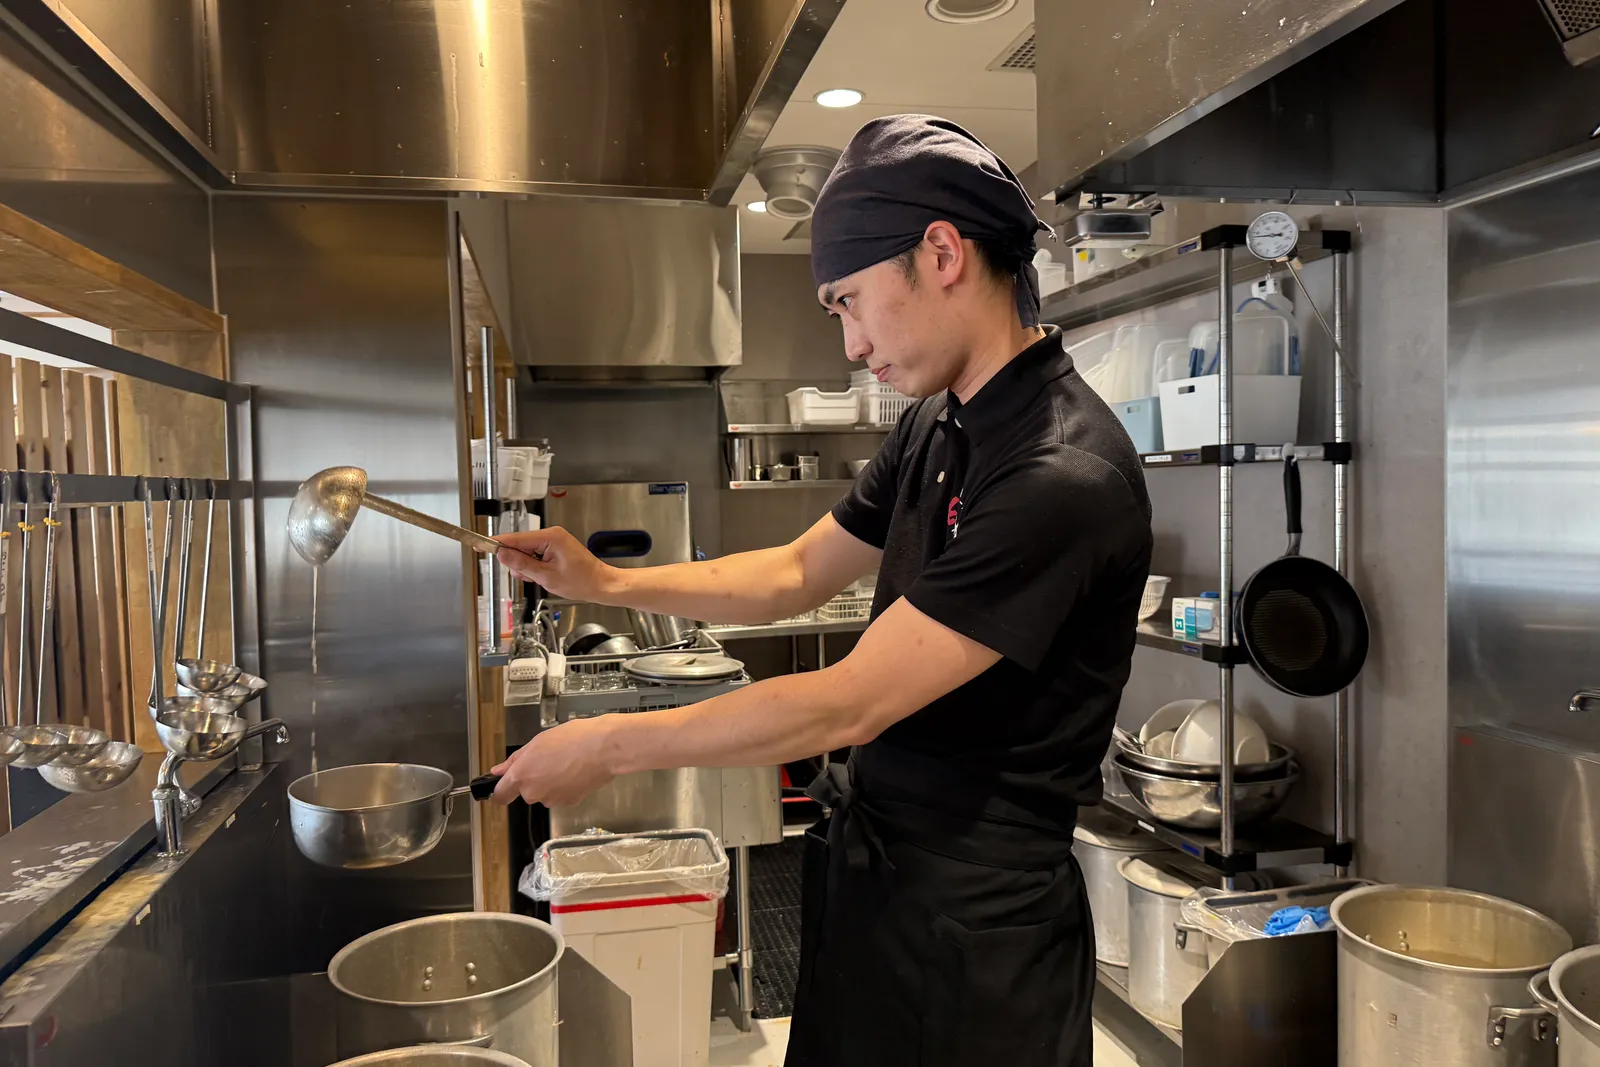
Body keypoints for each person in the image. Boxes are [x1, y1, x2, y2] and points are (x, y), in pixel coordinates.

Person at [492, 114, 1152, 1066]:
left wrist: (608, 746)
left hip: (978, 933)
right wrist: (606, 579)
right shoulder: (935, 423)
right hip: (878, 883)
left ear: (941, 254)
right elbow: (797, 570)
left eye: (848, 301)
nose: (849, 344)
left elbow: (848, 700)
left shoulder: (1060, 471)